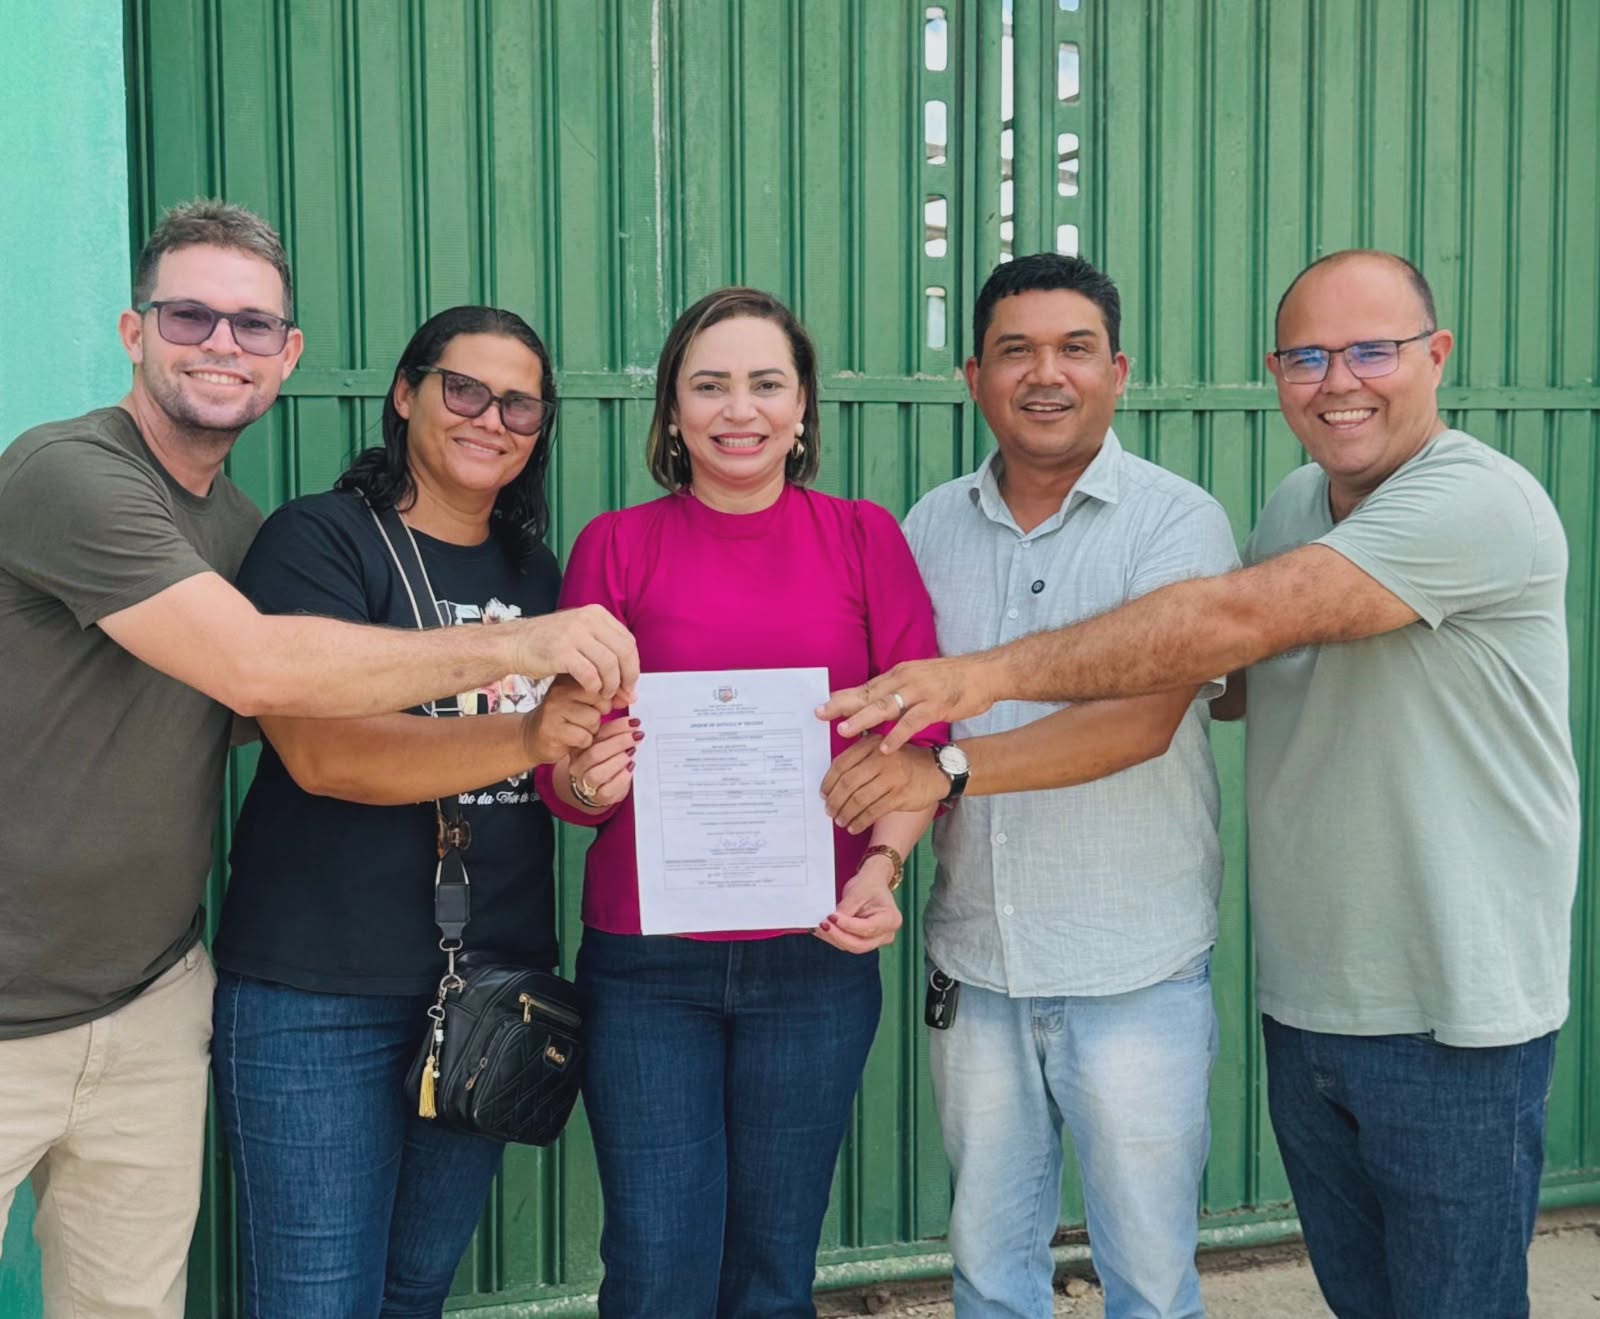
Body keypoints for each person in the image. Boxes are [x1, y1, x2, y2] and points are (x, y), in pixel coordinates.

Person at [821, 250, 1579, 1319]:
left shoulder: (1473, 499)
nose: (1339, 381)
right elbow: (1231, 684)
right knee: (1358, 1293)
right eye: (1308, 357)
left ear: (1437, 355)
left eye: (1372, 350)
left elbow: (1219, 637)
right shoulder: (1295, 504)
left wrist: (979, 688)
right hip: (1307, 992)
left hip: (1451, 1000)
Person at [0, 201, 634, 1319]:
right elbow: (279, 696)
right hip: (224, 988)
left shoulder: (235, 531)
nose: (222, 344)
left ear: (288, 353)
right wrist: (520, 670)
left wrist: (572, 766)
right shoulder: (79, 476)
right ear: (133, 330)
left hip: (159, 991)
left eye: (252, 325)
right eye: (190, 316)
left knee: (158, 1300)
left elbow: (521, 761)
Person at [820, 253, 1238, 1319]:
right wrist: (877, 853)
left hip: (1133, 966)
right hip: (977, 966)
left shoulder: (1177, 522)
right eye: (1015, 350)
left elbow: (1140, 722)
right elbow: (896, 719)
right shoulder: (927, 526)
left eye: (1074, 348)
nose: (1045, 374)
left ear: (1118, 371)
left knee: (1150, 1279)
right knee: (990, 1273)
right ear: (974, 376)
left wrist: (946, 767)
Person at [533, 287, 944, 1317]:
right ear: (673, 412)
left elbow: (919, 736)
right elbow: (564, 766)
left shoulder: (863, 538)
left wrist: (883, 864)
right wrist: (585, 779)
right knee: (655, 1263)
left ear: (802, 407)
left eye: (766, 383)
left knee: (771, 1266)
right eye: (709, 385)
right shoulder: (615, 545)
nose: (738, 409)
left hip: (816, 950)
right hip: (648, 962)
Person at [209, 305, 605, 1316]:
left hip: (489, 988)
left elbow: (558, 773)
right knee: (313, 1298)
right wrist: (528, 734)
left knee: (415, 1290)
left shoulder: (535, 573)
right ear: (405, 392)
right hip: (320, 988)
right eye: (463, 389)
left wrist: (590, 769)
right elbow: (324, 754)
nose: (491, 418)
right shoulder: (319, 539)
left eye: (520, 404)